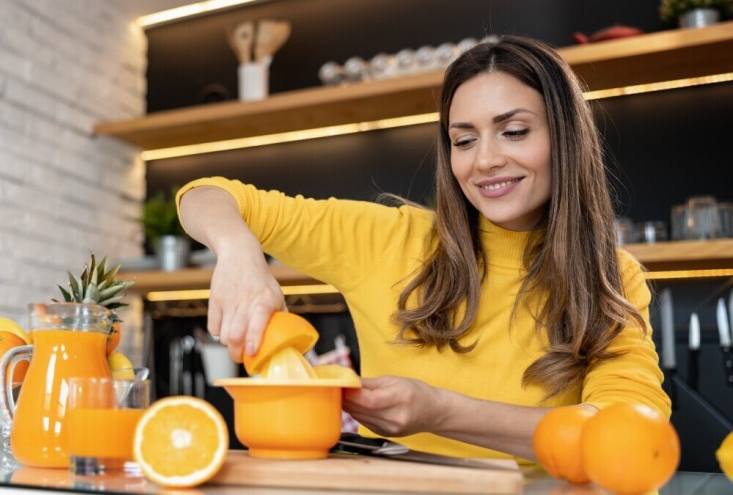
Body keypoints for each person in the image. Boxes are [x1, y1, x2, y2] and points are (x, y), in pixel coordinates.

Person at [175, 35, 670, 461]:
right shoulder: (389, 238)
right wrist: (238, 251)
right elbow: (204, 194)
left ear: (564, 138)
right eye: (464, 140)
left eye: (514, 131)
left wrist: (440, 412)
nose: (486, 161)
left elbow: (624, 433)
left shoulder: (611, 278)